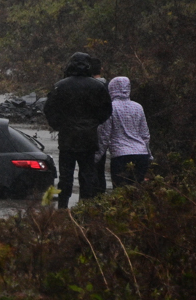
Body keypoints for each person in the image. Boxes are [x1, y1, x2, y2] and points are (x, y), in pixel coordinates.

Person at [44, 52, 113, 208]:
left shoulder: (60, 85)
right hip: (89, 137)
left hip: (67, 137)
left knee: (66, 175)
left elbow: (48, 109)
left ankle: (62, 207)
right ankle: (85, 207)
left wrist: (58, 125)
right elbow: (107, 111)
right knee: (88, 174)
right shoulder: (98, 86)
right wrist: (94, 123)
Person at [96, 76, 152, 187]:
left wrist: (97, 156)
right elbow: (145, 135)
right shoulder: (138, 107)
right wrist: (149, 154)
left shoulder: (110, 108)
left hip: (120, 155)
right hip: (141, 155)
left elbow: (104, 136)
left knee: (120, 191)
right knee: (137, 190)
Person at [88, 56, 108, 192]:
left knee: (89, 168)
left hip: (88, 132)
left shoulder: (86, 86)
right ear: (101, 69)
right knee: (100, 168)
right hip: (104, 131)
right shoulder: (108, 87)